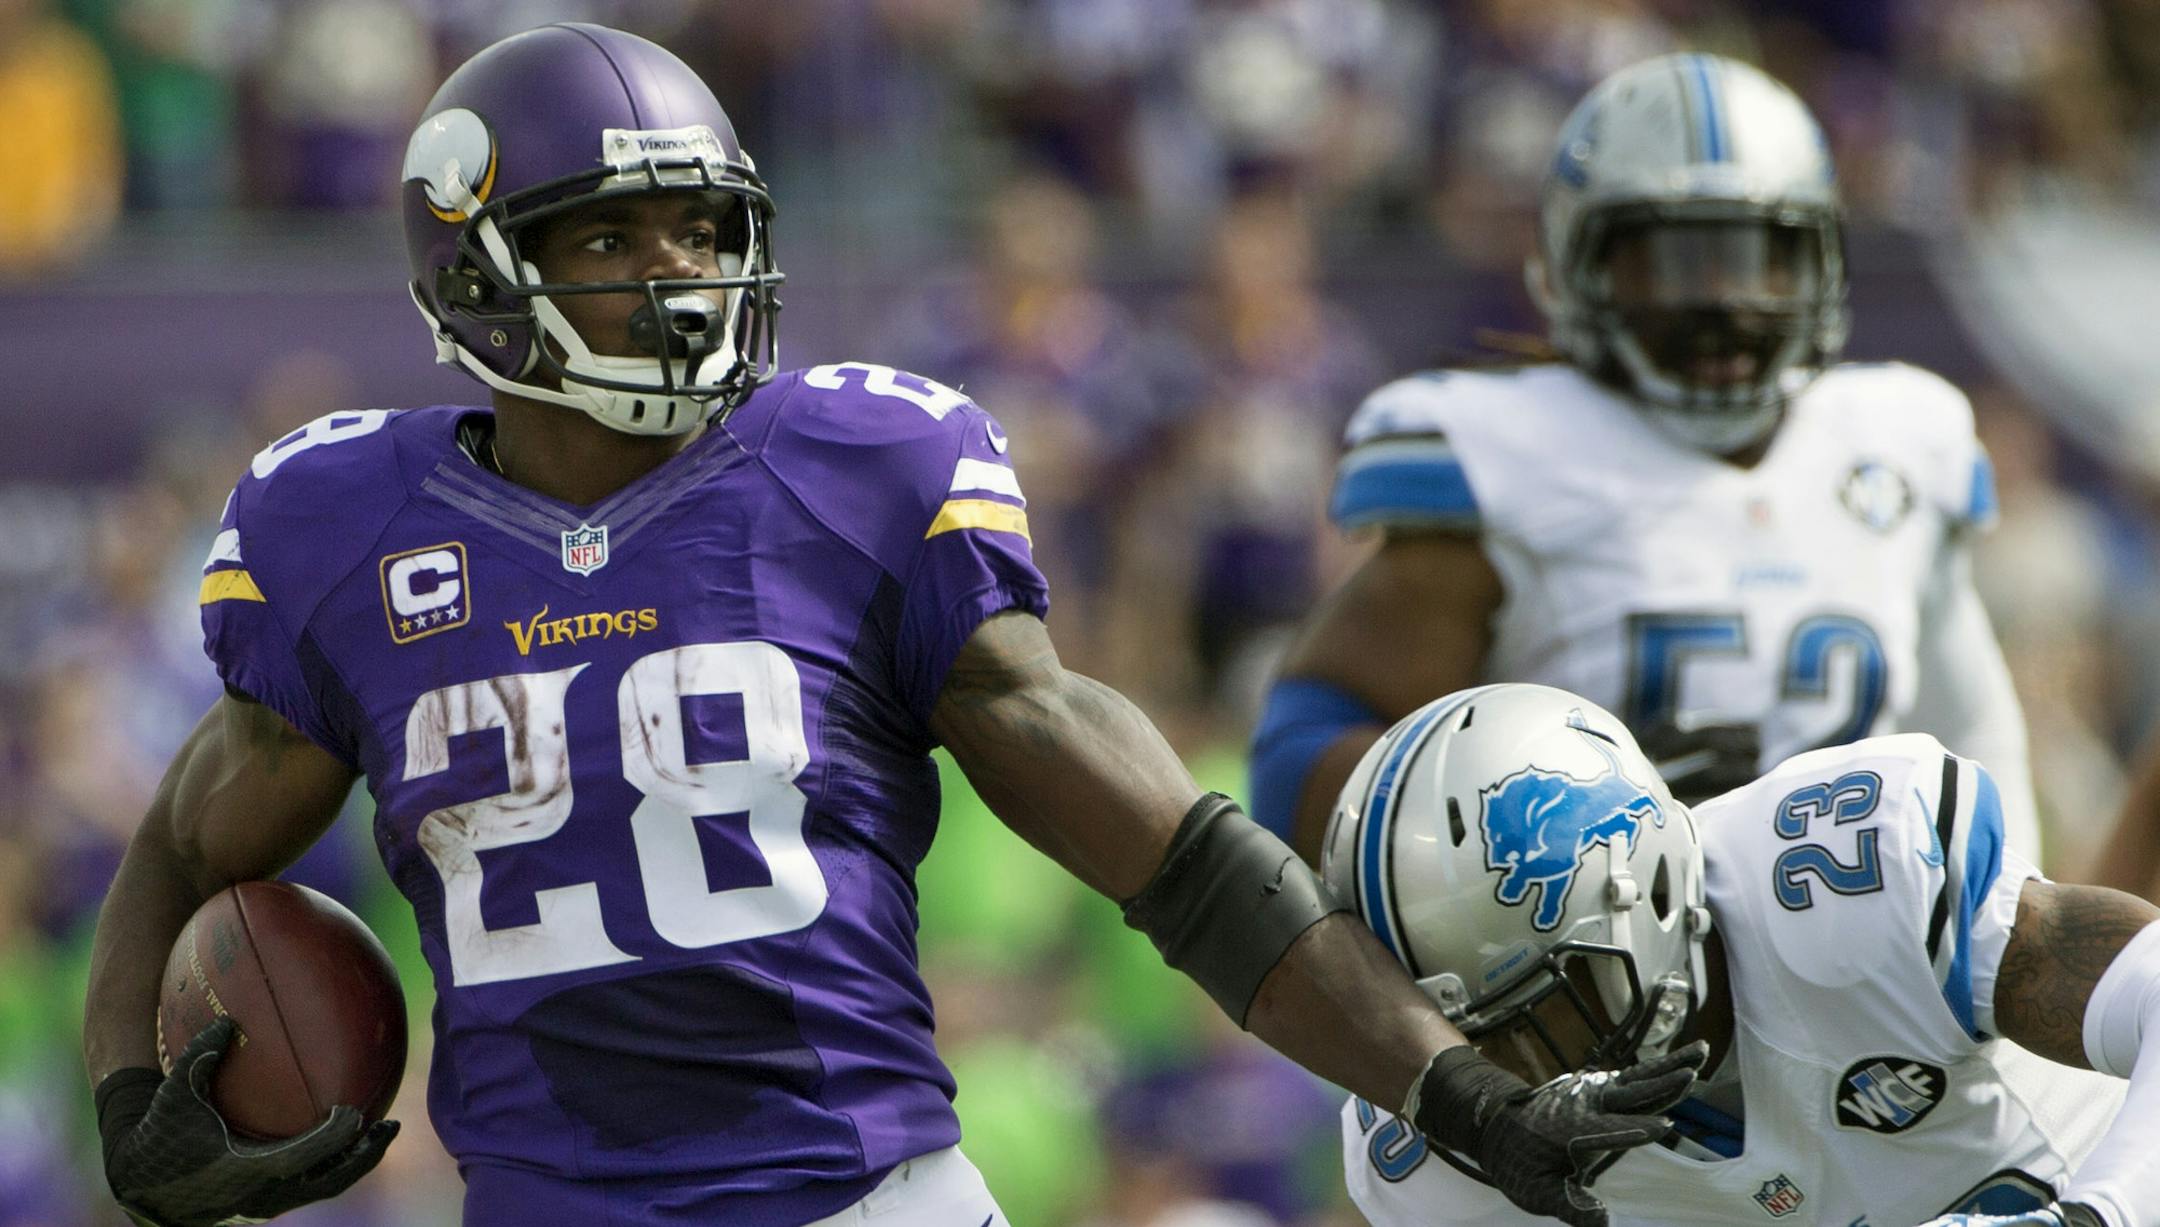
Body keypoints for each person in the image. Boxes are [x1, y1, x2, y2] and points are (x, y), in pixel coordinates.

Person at [78, 24, 1704, 1227]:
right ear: (476, 264)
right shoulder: (350, 527)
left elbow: (1180, 861)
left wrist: (1448, 1084)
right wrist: (131, 1100)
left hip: (862, 1199)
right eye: (613, 235)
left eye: (702, 228)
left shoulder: (853, 473)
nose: (680, 273)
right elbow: (182, 840)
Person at [1249, 53, 2040, 868]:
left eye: (1756, 258)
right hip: (1590, 935)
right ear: (1578, 268)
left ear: (1818, 261)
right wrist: (1494, 820)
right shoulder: (1506, 453)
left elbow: (1972, 735)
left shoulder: (1899, 441)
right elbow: (1300, 755)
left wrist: (2001, 905)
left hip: (1863, 933)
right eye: (1676, 263)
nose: (1723, 303)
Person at [1328, 683, 2160, 1227]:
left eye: (1532, 1012)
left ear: (1646, 897)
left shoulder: (1838, 879)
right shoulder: (1441, 1149)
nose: (1504, 1072)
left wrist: (2095, 1216)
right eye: (1467, 1037)